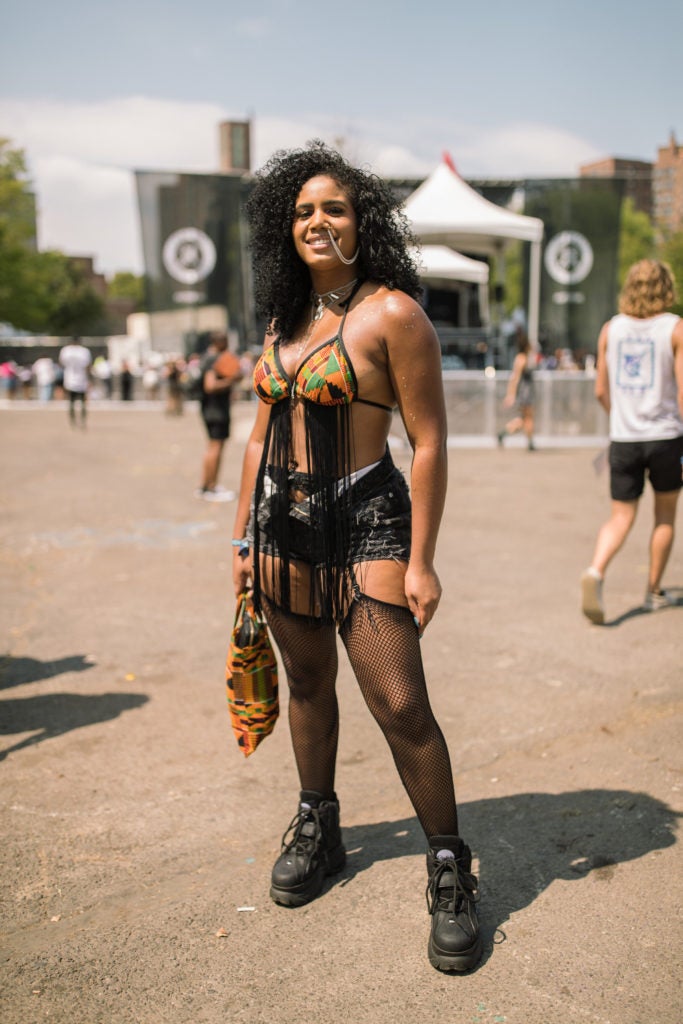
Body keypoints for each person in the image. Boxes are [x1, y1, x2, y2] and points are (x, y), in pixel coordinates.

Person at [230, 142, 481, 973]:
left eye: (332, 208)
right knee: (307, 685)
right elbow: (257, 436)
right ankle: (319, 824)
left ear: (360, 221)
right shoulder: (283, 319)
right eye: (302, 211)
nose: (316, 221)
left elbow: (429, 442)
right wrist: (241, 537)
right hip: (281, 528)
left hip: (368, 520)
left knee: (401, 705)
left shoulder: (394, 315)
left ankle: (449, 866)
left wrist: (422, 560)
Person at [581, 259, 683, 624]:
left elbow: (600, 391)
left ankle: (595, 570)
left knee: (620, 517)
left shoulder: (611, 329)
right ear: (666, 287)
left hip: (624, 438)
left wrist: (622, 416)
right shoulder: (675, 328)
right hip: (666, 437)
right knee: (665, 515)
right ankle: (653, 591)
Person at [195, 331, 241, 501]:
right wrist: (232, 380)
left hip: (209, 408)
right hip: (216, 409)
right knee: (216, 447)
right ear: (220, 342)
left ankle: (206, 485)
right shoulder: (214, 359)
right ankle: (210, 487)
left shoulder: (206, 357)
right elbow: (210, 385)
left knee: (212, 447)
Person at [497, 328, 536, 450]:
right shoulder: (521, 359)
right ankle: (530, 443)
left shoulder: (524, 358)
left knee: (524, 418)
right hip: (525, 393)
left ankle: (503, 433)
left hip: (526, 392)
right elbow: (515, 378)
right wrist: (511, 395)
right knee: (528, 417)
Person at [58, 336, 91, 428]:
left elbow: (61, 363)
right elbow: (88, 366)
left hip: (69, 379)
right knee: (83, 403)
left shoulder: (65, 350)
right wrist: (89, 379)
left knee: (71, 402)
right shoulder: (84, 351)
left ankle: (72, 421)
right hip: (82, 379)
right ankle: (83, 421)